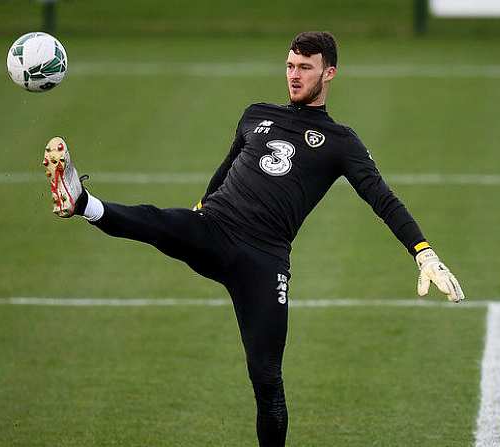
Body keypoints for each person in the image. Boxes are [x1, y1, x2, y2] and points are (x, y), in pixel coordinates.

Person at [41, 31, 464, 447]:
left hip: (264, 262)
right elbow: (224, 170)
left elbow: (383, 199)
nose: (294, 75)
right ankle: (81, 201)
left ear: (329, 73)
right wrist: (203, 207)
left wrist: (424, 254)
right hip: (216, 229)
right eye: (290, 66)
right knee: (157, 222)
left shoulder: (340, 142)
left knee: (266, 379)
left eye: (305, 67)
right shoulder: (255, 114)